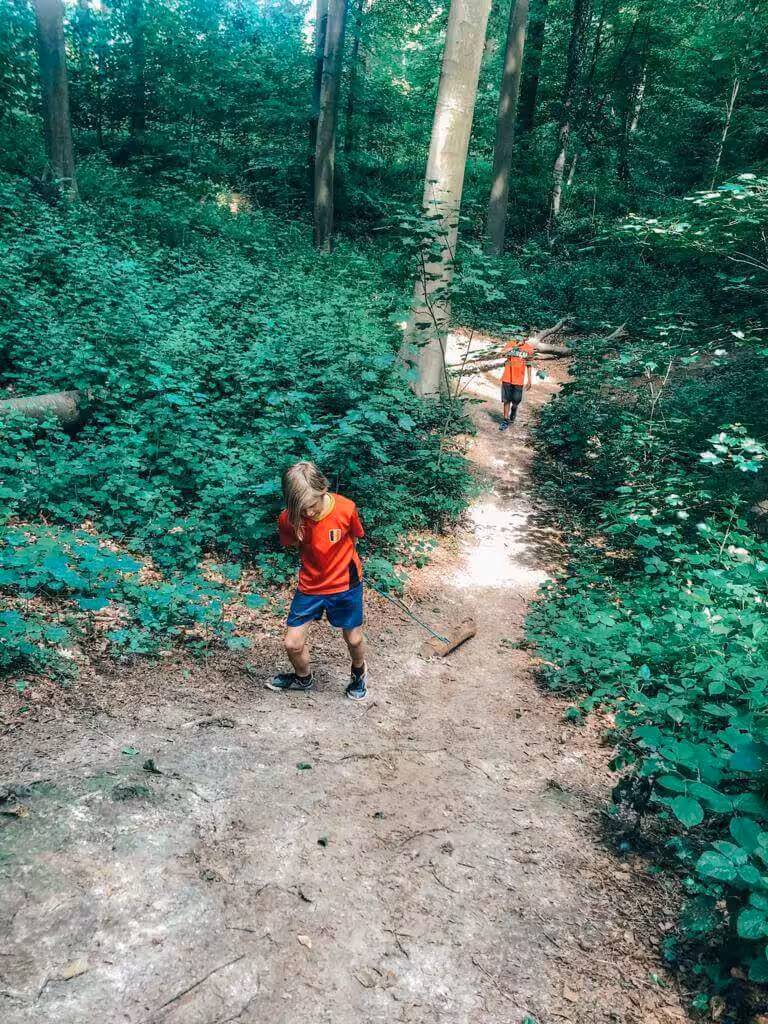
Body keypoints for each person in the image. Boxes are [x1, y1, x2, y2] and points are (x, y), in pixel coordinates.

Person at [267, 461, 368, 701]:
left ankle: (359, 672)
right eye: (301, 509)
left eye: (311, 506)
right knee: (292, 643)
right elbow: (293, 545)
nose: (308, 514)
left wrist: (339, 562)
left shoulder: (345, 508)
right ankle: (303, 678)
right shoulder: (289, 519)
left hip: (345, 583)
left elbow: (355, 538)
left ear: (322, 490)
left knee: (353, 638)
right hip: (311, 585)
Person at [498, 334, 535, 431]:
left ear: (526, 338)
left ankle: (514, 409)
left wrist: (530, 380)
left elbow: (529, 364)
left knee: (516, 400)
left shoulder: (529, 349)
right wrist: (514, 346)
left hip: (519, 379)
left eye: (524, 336)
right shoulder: (511, 344)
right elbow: (501, 354)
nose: (521, 338)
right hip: (507, 377)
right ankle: (505, 420)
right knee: (506, 400)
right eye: (520, 335)